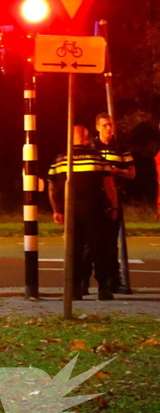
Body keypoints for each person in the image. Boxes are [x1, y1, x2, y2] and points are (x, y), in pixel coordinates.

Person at [48, 125, 119, 300]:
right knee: (98, 249)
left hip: (71, 210)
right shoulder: (97, 158)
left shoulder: (60, 159)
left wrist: (57, 210)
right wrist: (114, 207)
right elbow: (109, 185)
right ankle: (103, 288)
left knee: (74, 249)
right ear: (87, 139)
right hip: (94, 210)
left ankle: (75, 288)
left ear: (70, 138)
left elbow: (52, 188)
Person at [91, 113, 135, 295]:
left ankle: (113, 281)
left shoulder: (121, 148)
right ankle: (84, 282)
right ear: (98, 127)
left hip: (115, 198)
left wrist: (117, 171)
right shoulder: (92, 147)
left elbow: (132, 173)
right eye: (105, 125)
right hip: (95, 199)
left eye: (111, 125)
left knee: (111, 242)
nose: (109, 129)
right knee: (90, 243)